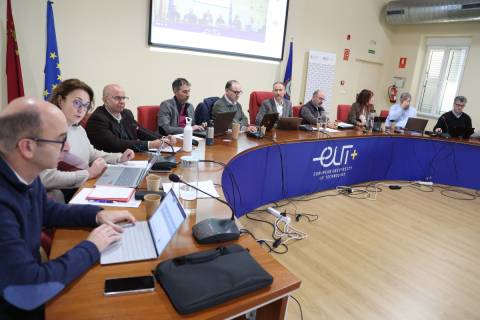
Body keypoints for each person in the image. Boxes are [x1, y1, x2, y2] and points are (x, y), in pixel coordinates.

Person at [0, 97, 135, 319]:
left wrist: (99, 215)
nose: (68, 147)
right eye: (61, 140)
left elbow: (49, 211)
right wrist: (92, 246)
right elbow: (29, 290)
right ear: (27, 147)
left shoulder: (24, 172)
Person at [40, 79, 135, 202]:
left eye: (86, 105)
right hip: (65, 195)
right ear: (60, 100)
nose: (81, 110)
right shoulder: (45, 130)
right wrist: (88, 173)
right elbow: (46, 178)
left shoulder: (78, 129)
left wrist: (119, 158)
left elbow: (92, 154)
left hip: (84, 186)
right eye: (77, 103)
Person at [86, 84, 171, 153]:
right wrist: (151, 144)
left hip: (132, 157)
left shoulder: (126, 113)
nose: (122, 101)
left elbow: (141, 131)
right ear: (105, 100)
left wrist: (163, 138)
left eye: (123, 98)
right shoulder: (98, 119)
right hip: (112, 162)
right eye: (117, 98)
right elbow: (115, 144)